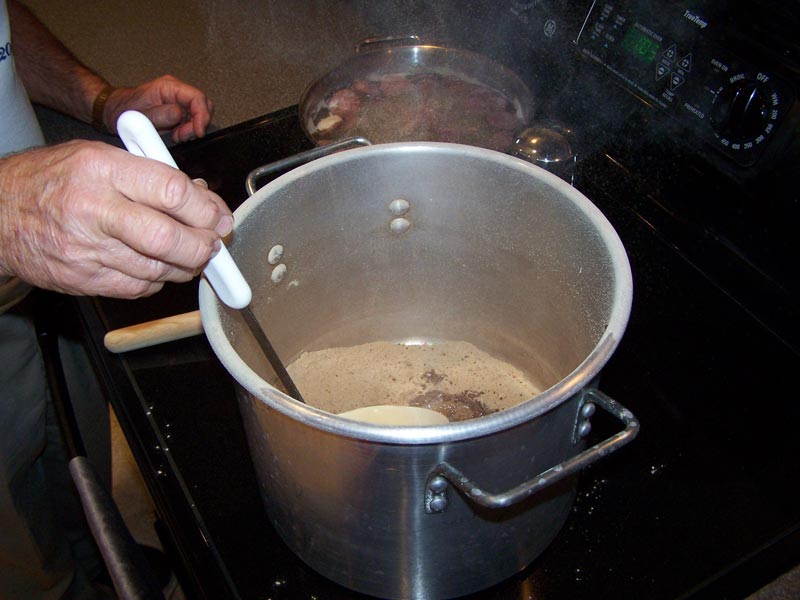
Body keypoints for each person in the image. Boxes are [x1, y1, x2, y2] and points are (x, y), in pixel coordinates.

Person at [0, 0, 232, 597]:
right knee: (16, 542)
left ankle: (96, 563)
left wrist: (101, 101)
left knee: (73, 441)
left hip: (54, 254)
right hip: (22, 225)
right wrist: (7, 214)